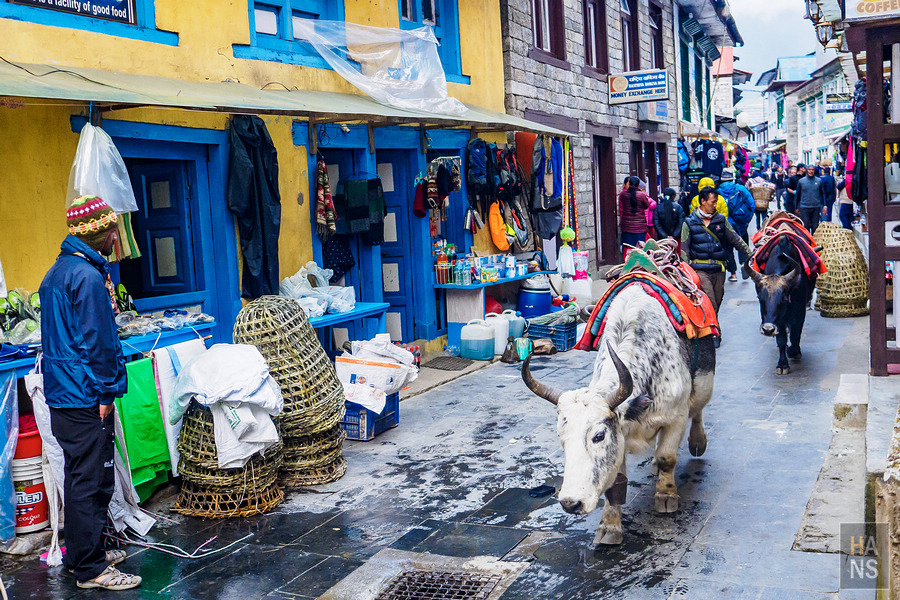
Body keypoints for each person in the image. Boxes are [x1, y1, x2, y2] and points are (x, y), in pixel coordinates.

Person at [39, 196, 141, 591]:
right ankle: (91, 569)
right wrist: (106, 393)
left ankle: (83, 555)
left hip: (64, 394)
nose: (117, 237)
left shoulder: (57, 272)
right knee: (92, 481)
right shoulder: (86, 276)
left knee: (79, 477)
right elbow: (97, 342)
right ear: (103, 233)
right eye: (114, 229)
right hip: (84, 395)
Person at [682, 189, 753, 336]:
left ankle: (712, 325)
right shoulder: (689, 222)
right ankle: (714, 333)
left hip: (719, 268)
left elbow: (735, 239)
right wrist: (686, 271)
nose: (715, 205)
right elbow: (684, 249)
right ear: (703, 201)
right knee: (710, 301)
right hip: (700, 269)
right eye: (713, 202)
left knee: (718, 300)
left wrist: (751, 255)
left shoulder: (720, 219)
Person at [718, 174, 755, 282]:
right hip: (740, 224)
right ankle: (744, 264)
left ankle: (733, 274)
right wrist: (746, 221)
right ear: (732, 179)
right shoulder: (740, 188)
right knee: (742, 244)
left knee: (728, 249)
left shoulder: (718, 192)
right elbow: (752, 205)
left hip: (726, 226)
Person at [619, 175, 650, 254]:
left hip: (627, 227)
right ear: (638, 185)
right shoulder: (642, 195)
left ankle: (628, 261)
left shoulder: (623, 194)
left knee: (628, 249)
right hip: (640, 227)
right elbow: (647, 205)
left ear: (629, 184)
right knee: (640, 249)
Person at [796, 165, 826, 233]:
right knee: (806, 226)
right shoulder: (801, 181)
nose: (811, 171)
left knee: (815, 226)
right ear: (806, 170)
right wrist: (797, 207)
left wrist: (824, 205)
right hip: (804, 207)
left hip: (816, 207)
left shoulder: (819, 181)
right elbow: (798, 195)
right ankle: (807, 239)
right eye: (809, 169)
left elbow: (823, 194)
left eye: (812, 169)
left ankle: (814, 239)